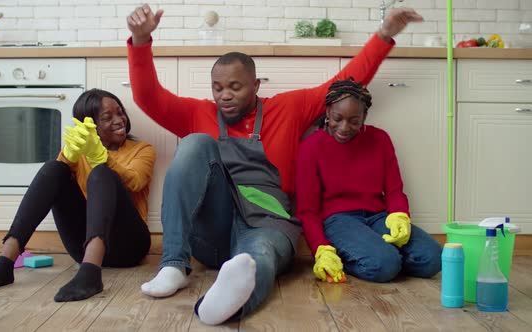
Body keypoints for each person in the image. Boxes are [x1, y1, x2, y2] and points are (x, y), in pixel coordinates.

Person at [126, 4, 423, 325]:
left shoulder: (289, 108)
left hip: (268, 226)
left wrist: (384, 35)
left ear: (255, 86)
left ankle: (227, 302)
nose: (224, 95)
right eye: (218, 88)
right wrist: (141, 41)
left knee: (259, 257)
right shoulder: (199, 114)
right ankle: (173, 264)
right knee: (196, 143)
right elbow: (148, 97)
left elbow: (345, 82)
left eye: (235, 87)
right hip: (214, 233)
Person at [0, 89, 156, 302]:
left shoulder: (143, 149)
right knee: (54, 168)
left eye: (120, 113)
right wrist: (67, 156)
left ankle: (91, 273)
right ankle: (5, 264)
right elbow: (50, 184)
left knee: (101, 173)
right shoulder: (80, 151)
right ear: (89, 125)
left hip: (129, 246)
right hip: (80, 247)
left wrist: (100, 157)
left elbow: (136, 181)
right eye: (107, 118)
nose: (119, 120)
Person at [295, 78, 442, 284]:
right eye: (338, 118)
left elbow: (394, 191)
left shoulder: (380, 139)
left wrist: (399, 215)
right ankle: (373, 258)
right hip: (339, 221)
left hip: (378, 216)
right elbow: (307, 210)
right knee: (385, 265)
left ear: (365, 116)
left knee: (433, 258)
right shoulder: (311, 147)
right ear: (327, 111)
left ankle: (385, 258)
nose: (344, 127)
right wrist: (320, 248)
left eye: (354, 121)